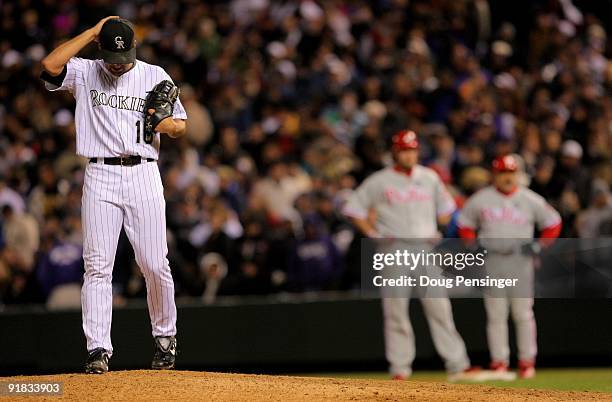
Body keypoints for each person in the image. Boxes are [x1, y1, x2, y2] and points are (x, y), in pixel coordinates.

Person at [40, 16, 187, 373]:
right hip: (100, 173)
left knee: (154, 264)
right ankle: (97, 350)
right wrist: (91, 33)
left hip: (144, 174)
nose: (119, 63)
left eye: (125, 57)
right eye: (112, 56)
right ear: (100, 50)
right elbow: (49, 65)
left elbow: (180, 126)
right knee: (97, 266)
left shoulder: (154, 74)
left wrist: (167, 125)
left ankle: (165, 338)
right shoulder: (86, 71)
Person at [343, 130, 477, 381]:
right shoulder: (379, 180)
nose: (409, 154)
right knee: (395, 310)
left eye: (412, 149)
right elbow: (353, 209)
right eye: (404, 149)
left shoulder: (429, 177)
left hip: (424, 249)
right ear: (395, 152)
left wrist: (438, 228)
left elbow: (447, 209)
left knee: (439, 307)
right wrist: (372, 233)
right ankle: (400, 368)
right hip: (393, 250)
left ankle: (458, 364)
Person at [457, 155, 561, 379]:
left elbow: (553, 222)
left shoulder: (529, 199)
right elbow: (464, 224)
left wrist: (538, 246)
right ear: (495, 175)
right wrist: (472, 246)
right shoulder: (481, 199)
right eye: (503, 172)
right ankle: (499, 362)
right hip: (492, 260)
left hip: (519, 261)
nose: (507, 177)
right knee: (496, 314)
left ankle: (526, 361)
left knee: (522, 313)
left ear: (517, 174)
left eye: (511, 172)